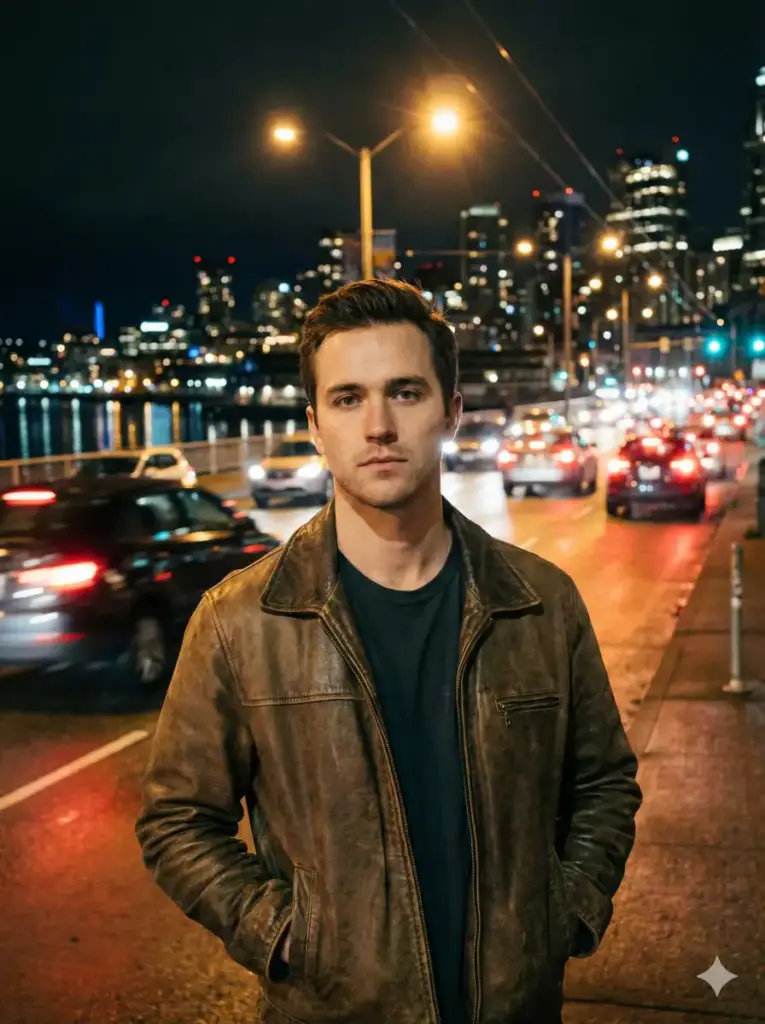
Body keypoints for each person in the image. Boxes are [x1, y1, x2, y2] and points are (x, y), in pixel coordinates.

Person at [136, 279, 642, 1024]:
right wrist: (284, 935)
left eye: (405, 392)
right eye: (347, 399)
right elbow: (176, 820)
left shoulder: (540, 602)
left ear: (451, 411)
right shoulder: (239, 621)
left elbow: (603, 782)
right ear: (315, 426)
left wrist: (562, 912)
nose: (378, 425)